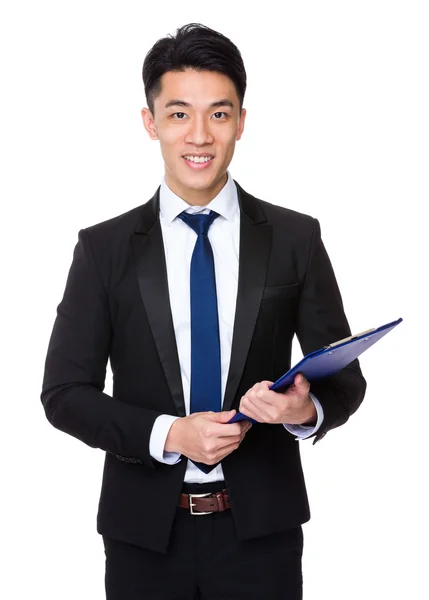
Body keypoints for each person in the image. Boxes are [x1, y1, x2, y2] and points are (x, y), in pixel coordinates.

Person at [40, 22, 367, 600]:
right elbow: (64, 393)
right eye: (178, 113)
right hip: (144, 539)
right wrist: (169, 434)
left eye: (218, 114)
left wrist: (302, 408)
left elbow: (343, 378)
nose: (199, 135)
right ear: (151, 123)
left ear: (241, 121)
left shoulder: (295, 238)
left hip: (262, 537)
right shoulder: (104, 249)